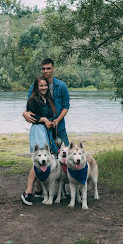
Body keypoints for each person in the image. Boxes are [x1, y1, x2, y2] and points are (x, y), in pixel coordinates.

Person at [21, 58, 70, 205]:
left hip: (59, 128)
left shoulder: (61, 86)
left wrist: (57, 120)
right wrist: (24, 113)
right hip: (43, 129)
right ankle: (32, 190)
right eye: (43, 69)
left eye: (48, 68)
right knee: (42, 156)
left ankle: (63, 190)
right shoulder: (35, 85)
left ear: (53, 69)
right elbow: (30, 105)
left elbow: (66, 106)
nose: (45, 71)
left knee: (63, 158)